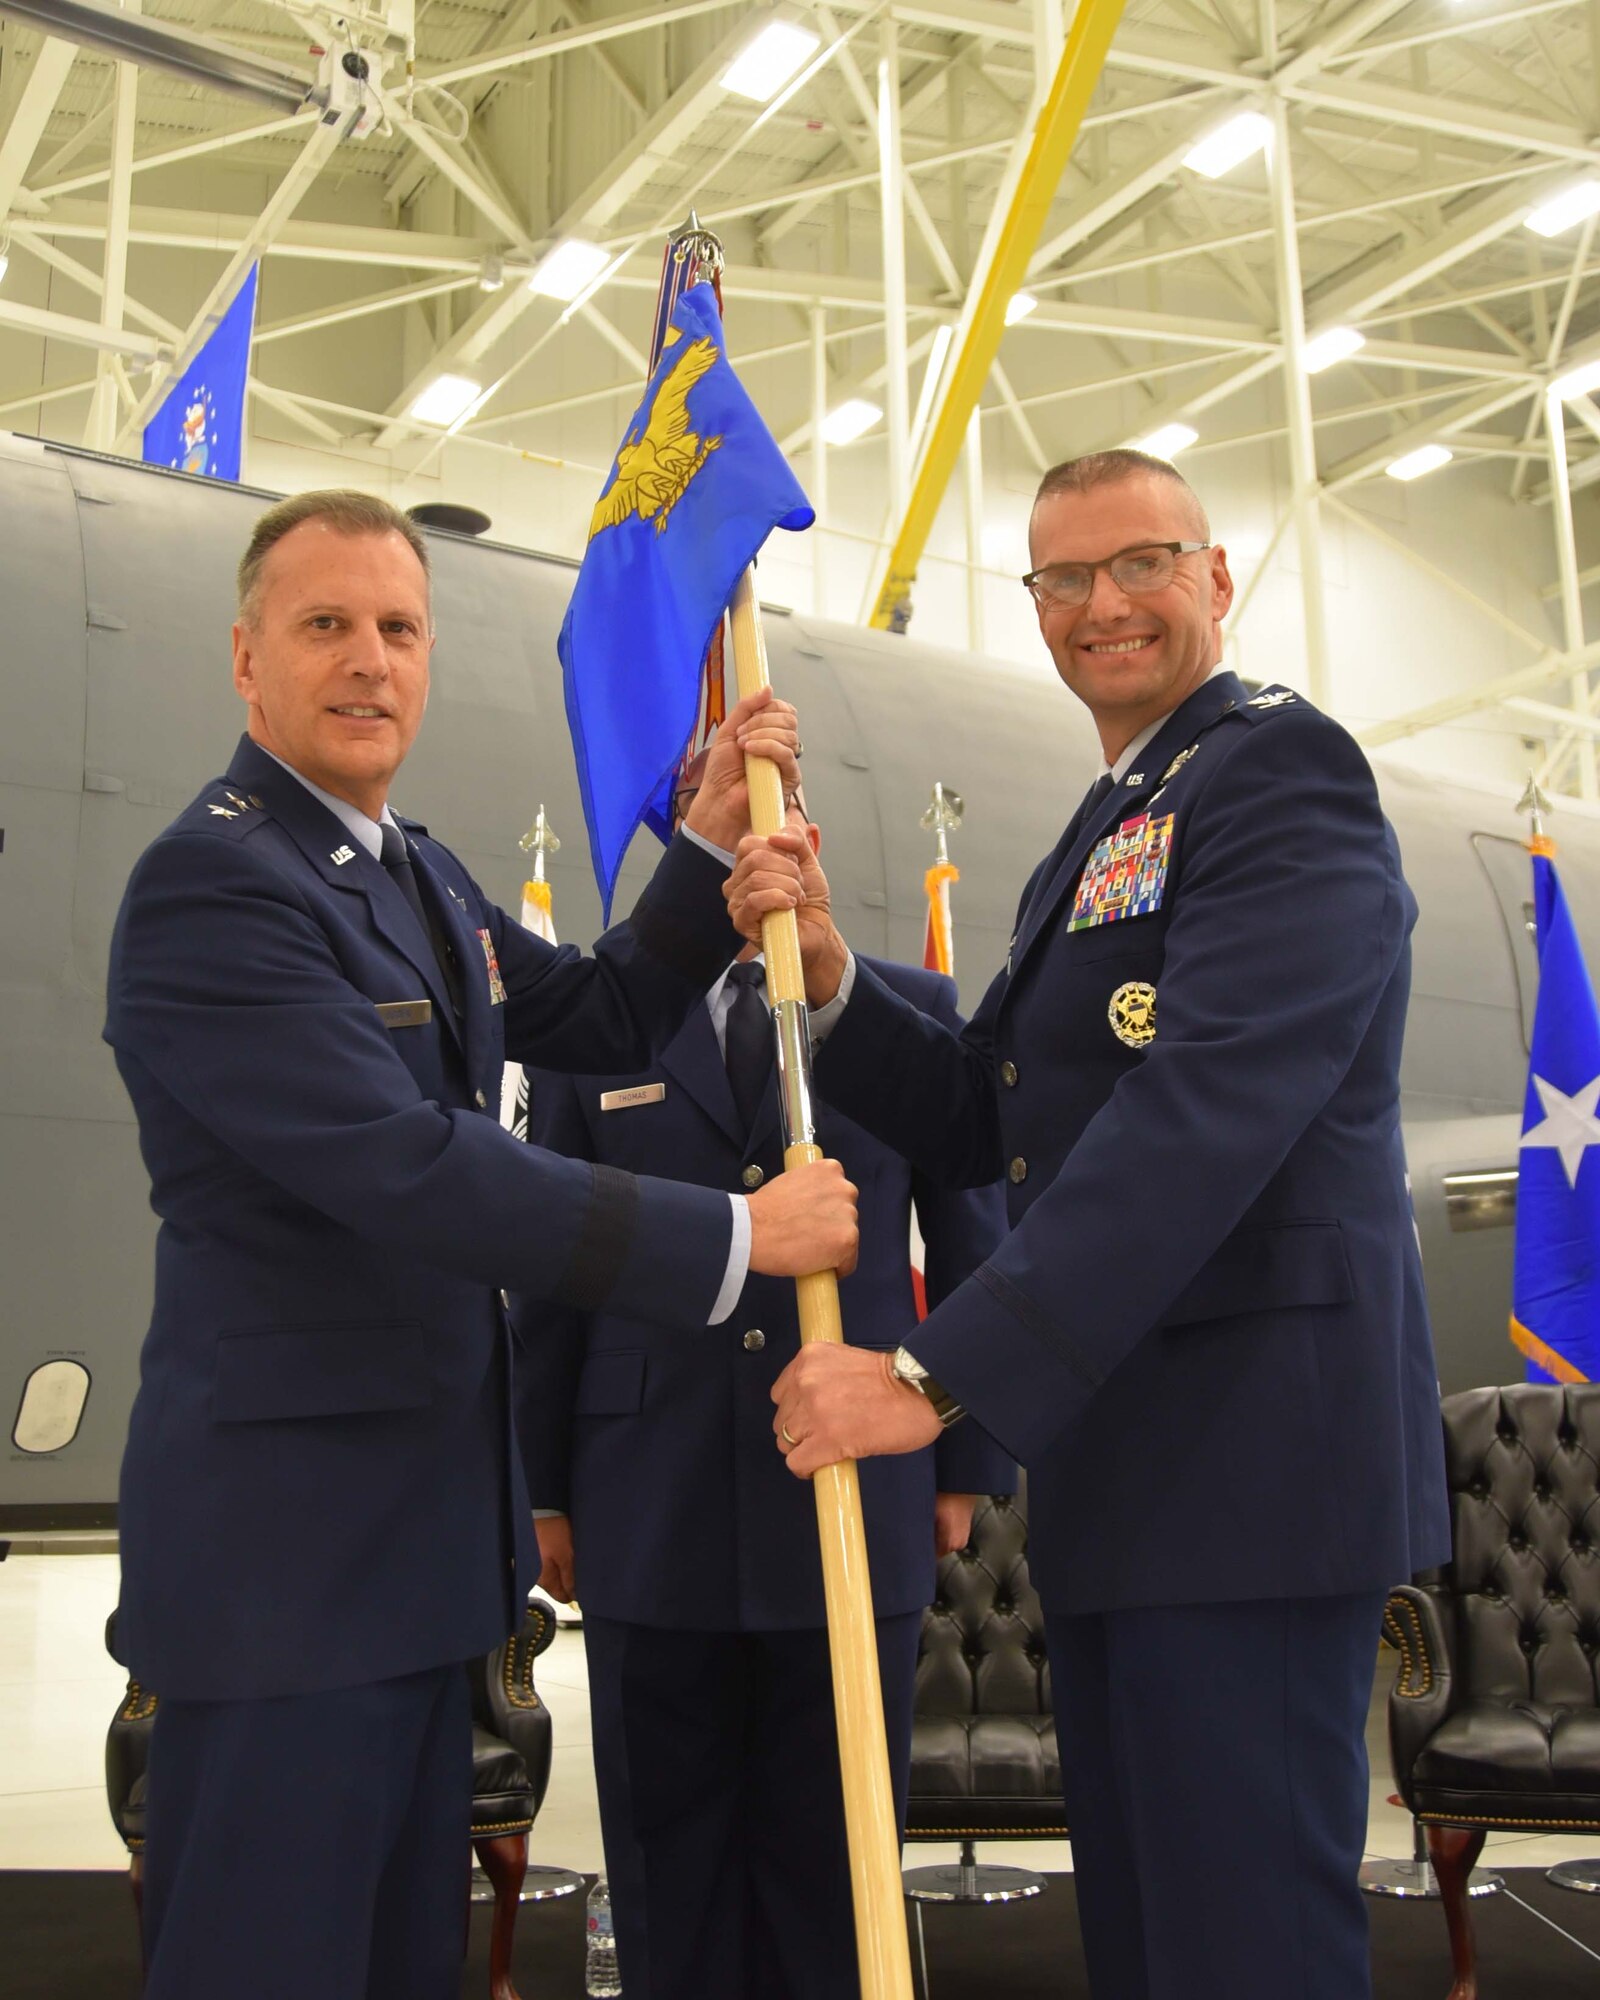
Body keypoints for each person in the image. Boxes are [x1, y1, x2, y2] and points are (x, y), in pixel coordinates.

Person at [102, 489, 858, 2000]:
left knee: (389, 1965)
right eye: (325, 625)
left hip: (414, 1560)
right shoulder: (215, 887)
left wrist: (709, 864)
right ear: (247, 661)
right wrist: (733, 1235)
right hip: (286, 1578)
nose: (368, 659)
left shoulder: (415, 874)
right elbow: (412, 1170)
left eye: (398, 628)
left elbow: (584, 1013)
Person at [728, 450, 1451, 2000]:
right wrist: (841, 976)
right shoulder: (1121, 809)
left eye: (1142, 564)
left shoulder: (1278, 775)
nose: (1104, 605)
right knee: (1152, 1939)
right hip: (1140, 1467)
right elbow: (997, 1107)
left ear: (1216, 576)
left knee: (1241, 1939)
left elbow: (1204, 1121)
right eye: (1065, 579)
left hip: (1253, 1466)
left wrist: (924, 1379)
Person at [509, 772, 1013, 2000]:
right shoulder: (601, 1020)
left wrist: (963, 1459)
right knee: (666, 1854)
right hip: (647, 1492)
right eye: (715, 818)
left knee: (832, 1856)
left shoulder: (908, 1009)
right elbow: (556, 1268)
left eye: (761, 813)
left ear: (805, 836)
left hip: (852, 1487)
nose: (744, 838)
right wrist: (547, 1488)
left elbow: (973, 1242)